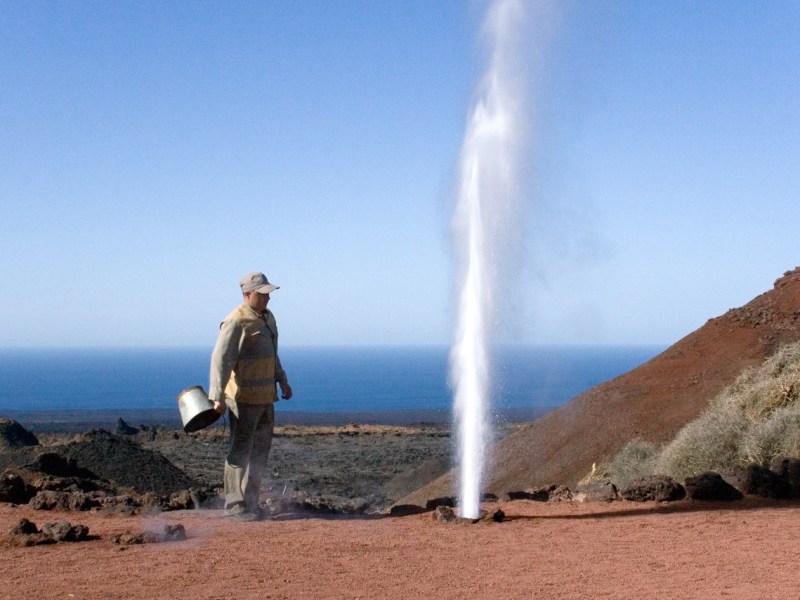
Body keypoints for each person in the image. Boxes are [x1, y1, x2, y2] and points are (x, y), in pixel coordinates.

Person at [208, 271, 293, 520]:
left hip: (266, 397)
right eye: (262, 294)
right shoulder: (236, 321)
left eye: (268, 293)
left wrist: (283, 381)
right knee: (240, 451)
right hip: (243, 399)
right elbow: (220, 360)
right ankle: (235, 505)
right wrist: (217, 396)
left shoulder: (267, 318)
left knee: (260, 452)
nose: (267, 298)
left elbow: (272, 354)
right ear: (247, 294)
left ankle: (251, 502)